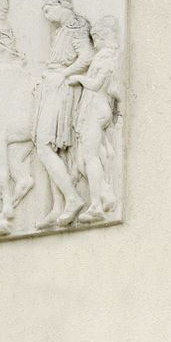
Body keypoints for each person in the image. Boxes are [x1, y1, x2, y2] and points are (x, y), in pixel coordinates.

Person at [33, 0, 92, 228]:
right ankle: (58, 206)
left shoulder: (77, 27)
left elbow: (86, 56)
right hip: (51, 87)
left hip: (63, 89)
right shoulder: (58, 32)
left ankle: (73, 198)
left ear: (62, 5)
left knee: (44, 145)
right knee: (47, 147)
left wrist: (63, 74)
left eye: (49, 10)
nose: (47, 16)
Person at [66, 14, 122, 222]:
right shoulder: (103, 56)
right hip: (90, 110)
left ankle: (96, 206)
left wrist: (78, 78)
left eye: (96, 38)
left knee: (90, 157)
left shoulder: (108, 56)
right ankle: (106, 195)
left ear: (104, 36)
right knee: (83, 161)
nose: (94, 42)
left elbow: (97, 84)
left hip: (97, 109)